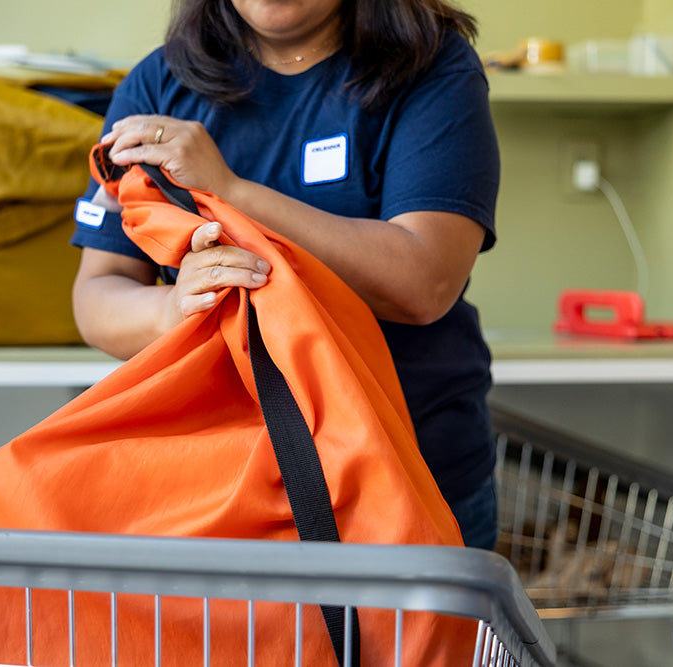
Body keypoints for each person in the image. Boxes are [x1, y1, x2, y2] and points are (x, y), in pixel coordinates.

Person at [70, 0, 501, 550]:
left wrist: (232, 193)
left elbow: (424, 282)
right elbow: (97, 294)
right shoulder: (158, 84)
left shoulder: (431, 66)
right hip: (217, 490)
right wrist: (174, 307)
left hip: (410, 473)